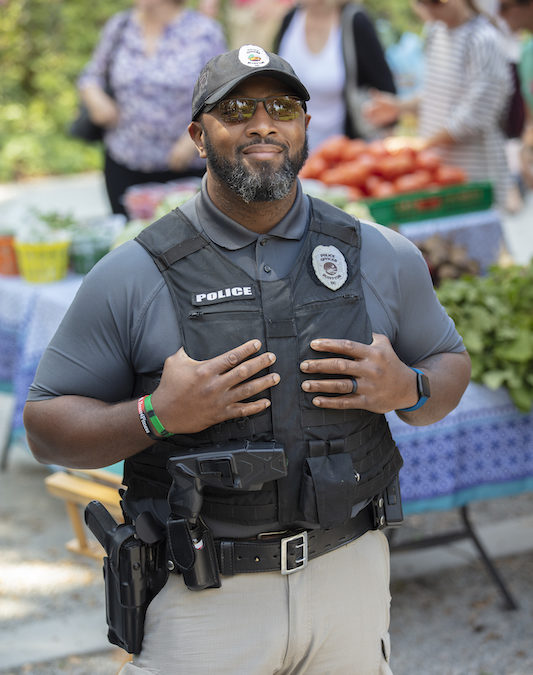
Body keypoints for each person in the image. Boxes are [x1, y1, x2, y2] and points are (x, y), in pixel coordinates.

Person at [24, 45, 471, 673]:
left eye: (282, 107)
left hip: (350, 576)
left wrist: (410, 388)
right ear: (197, 136)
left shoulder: (382, 254)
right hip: (202, 595)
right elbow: (46, 428)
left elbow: (450, 363)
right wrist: (156, 415)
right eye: (236, 110)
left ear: (306, 128)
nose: (263, 123)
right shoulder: (134, 272)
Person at [78, 0, 226, 215]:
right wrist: (96, 98)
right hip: (124, 162)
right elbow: (91, 76)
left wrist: (192, 139)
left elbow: (222, 93)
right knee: (128, 242)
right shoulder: (120, 26)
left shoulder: (205, 31)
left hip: (185, 168)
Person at [364, 0, 513, 208]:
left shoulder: (482, 39)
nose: (428, 13)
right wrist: (400, 106)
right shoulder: (436, 32)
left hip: (474, 175)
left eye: (433, 6)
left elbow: (474, 115)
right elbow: (438, 93)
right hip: (438, 171)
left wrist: (421, 144)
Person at [273, 0, 397, 151]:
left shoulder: (355, 22)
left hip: (343, 150)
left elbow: (385, 89)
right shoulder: (290, 19)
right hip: (292, 147)